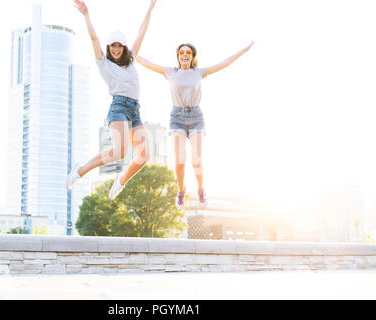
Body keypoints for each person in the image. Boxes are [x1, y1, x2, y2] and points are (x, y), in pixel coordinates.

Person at [137, 41, 254, 209]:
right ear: (178, 56)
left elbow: (225, 63)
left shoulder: (199, 72)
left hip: (196, 117)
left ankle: (200, 190)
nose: (185, 54)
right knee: (180, 161)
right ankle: (181, 191)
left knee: (197, 160)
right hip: (177, 117)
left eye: (188, 53)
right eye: (182, 52)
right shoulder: (170, 72)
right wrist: (129, 50)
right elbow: (145, 62)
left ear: (192, 57)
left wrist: (244, 49)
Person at [67, 0, 157, 200]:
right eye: (113, 46)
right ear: (109, 47)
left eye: (119, 46)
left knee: (143, 155)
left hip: (135, 110)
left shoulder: (131, 58)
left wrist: (150, 8)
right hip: (119, 108)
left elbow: (142, 32)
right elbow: (93, 38)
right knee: (119, 152)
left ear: (124, 48)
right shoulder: (103, 63)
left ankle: (121, 181)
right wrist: (86, 15)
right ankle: (80, 171)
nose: (116, 49)